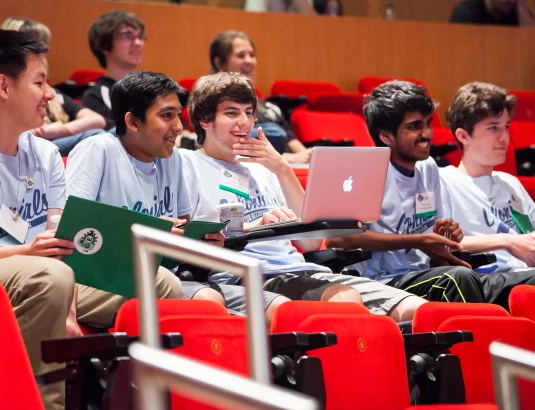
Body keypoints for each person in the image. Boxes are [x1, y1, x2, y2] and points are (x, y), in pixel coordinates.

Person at [0, 30, 180, 410]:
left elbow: (63, 241)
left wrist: (67, 310)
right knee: (49, 276)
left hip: (47, 276)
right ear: (3, 86)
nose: (50, 94)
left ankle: (132, 401)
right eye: (39, 81)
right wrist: (28, 252)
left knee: (160, 281)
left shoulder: (46, 153)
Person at [182, 73, 425, 321]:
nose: (244, 122)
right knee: (346, 300)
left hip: (301, 269)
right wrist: (257, 224)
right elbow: (191, 232)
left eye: (249, 112)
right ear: (205, 120)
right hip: (250, 275)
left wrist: (283, 169)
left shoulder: (264, 167)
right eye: (232, 113)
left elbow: (310, 243)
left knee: (416, 311)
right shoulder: (188, 165)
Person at [66, 71, 281, 320]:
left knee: (275, 307)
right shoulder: (98, 150)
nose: (179, 127)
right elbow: (72, 231)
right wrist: (153, 232)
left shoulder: (173, 159)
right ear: (133, 122)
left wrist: (204, 243)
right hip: (105, 277)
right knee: (208, 301)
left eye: (178, 115)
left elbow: (181, 232)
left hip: (166, 276)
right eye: (167, 116)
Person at [327, 80, 535, 310]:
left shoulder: (428, 168)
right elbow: (339, 239)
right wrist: (420, 240)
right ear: (386, 136)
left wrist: (447, 235)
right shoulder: (363, 169)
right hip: (385, 282)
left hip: (429, 274)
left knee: (529, 280)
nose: (427, 133)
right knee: (457, 279)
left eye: (428, 123)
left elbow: (437, 242)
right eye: (415, 126)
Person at [440, 82, 535, 272]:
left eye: (506, 126)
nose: (505, 137)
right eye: (493, 128)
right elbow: (440, 244)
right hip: (492, 279)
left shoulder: (510, 183)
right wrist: (507, 241)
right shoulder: (445, 182)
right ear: (463, 136)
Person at [0, 17, 106, 155]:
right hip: (33, 148)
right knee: (100, 138)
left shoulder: (54, 93)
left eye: (43, 46)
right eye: (35, 47)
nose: (43, 54)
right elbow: (13, 133)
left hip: (55, 142)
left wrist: (62, 129)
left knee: (119, 134)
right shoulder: (5, 90)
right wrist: (47, 131)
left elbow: (97, 120)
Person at [209, 30, 312, 163]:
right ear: (220, 63)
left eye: (252, 55)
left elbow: (291, 140)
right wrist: (287, 158)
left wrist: (308, 155)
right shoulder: (212, 105)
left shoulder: (270, 108)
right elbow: (223, 148)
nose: (249, 61)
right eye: (241, 56)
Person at [81, 10, 146, 130]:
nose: (138, 43)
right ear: (105, 46)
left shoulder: (151, 90)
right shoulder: (95, 96)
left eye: (140, 36)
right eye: (127, 36)